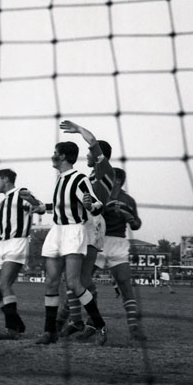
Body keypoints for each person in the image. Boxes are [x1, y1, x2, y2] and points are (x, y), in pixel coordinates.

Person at [34, 141, 108, 346]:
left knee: (74, 283)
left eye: (55, 153)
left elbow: (97, 204)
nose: (52, 156)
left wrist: (90, 205)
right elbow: (62, 205)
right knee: (51, 282)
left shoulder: (79, 178)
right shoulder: (60, 179)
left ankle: (100, 325)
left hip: (73, 232)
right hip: (56, 231)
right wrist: (42, 207)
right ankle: (49, 332)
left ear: (63, 157)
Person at [55, 120, 115, 342]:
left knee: (78, 278)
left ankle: (85, 322)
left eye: (90, 153)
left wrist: (79, 129)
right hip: (83, 223)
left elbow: (92, 140)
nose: (87, 155)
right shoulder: (89, 176)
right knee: (78, 278)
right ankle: (81, 321)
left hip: (93, 223)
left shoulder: (104, 169)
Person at [0, 169, 44, 340]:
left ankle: (11, 329)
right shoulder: (4, 203)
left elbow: (38, 208)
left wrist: (32, 199)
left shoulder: (21, 194)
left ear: (6, 179)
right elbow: (0, 230)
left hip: (17, 243)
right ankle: (17, 322)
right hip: (1, 245)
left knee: (4, 283)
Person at [97, 168, 147, 340]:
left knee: (125, 284)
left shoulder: (128, 200)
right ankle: (84, 323)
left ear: (117, 180)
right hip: (99, 240)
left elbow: (136, 224)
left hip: (118, 243)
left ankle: (134, 328)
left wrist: (129, 218)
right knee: (83, 282)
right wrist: (107, 209)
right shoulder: (101, 195)